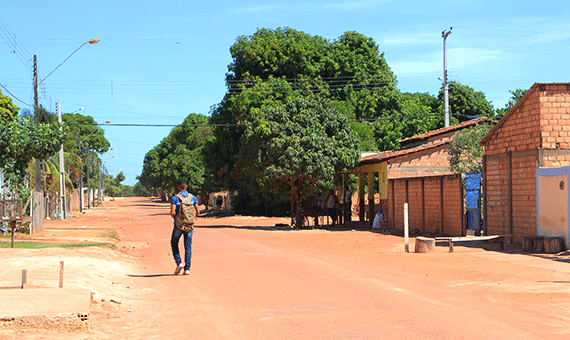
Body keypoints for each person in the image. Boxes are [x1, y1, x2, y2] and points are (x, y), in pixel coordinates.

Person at [170, 179, 200, 275]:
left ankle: (179, 263)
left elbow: (172, 212)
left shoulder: (175, 198)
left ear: (178, 187)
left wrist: (178, 220)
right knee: (188, 246)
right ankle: (187, 269)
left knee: (174, 243)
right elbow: (198, 211)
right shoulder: (193, 197)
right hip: (189, 226)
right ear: (186, 186)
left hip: (178, 225)